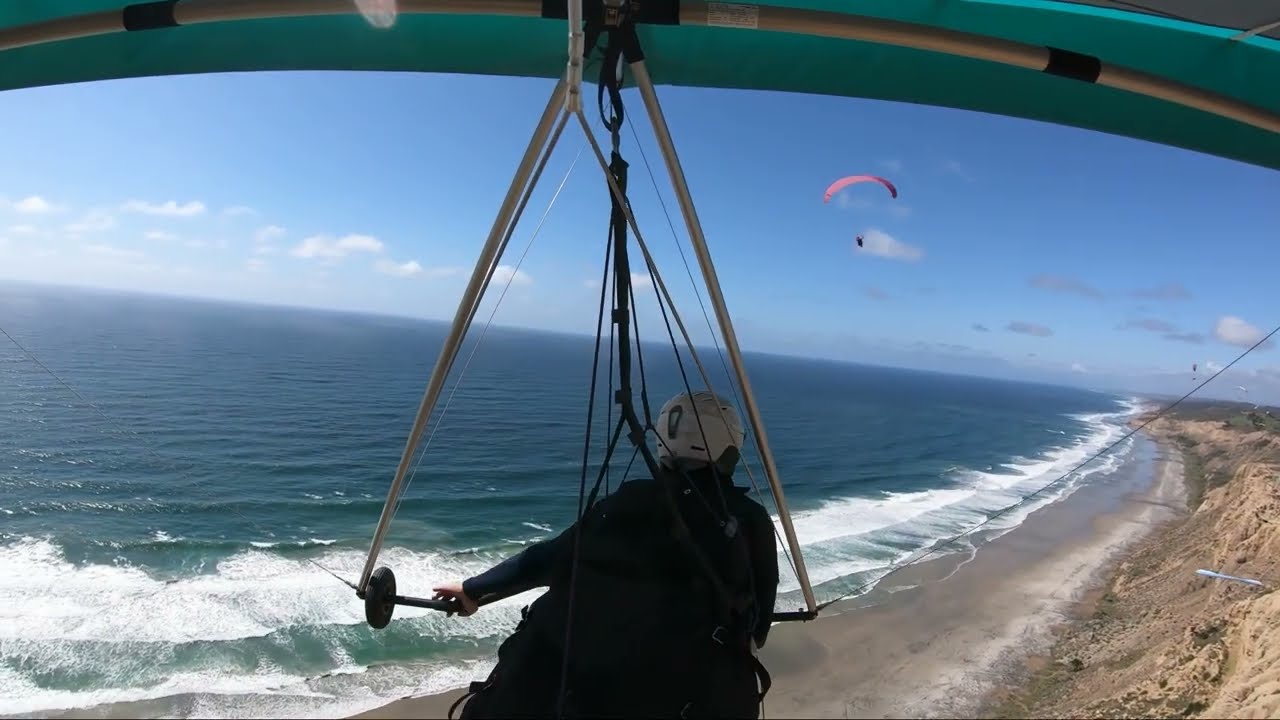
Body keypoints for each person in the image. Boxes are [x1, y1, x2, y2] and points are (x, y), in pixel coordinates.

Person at [433, 390, 780, 719]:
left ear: (661, 443)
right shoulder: (747, 520)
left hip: (550, 695)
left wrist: (472, 588)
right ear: (729, 449)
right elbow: (759, 627)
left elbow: (547, 558)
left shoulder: (618, 505)